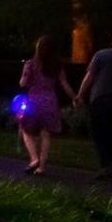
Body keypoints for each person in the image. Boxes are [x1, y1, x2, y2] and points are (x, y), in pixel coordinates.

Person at [75, 31, 112, 180]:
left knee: (99, 131)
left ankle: (105, 164)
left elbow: (90, 76)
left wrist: (80, 94)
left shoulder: (101, 55)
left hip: (99, 97)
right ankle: (109, 164)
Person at [17, 36, 77, 175]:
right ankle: (42, 167)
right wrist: (75, 97)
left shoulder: (31, 64)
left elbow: (23, 83)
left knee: (26, 130)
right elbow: (64, 83)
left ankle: (34, 158)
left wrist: (25, 76)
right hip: (50, 101)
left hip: (33, 101)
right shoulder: (56, 66)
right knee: (46, 133)